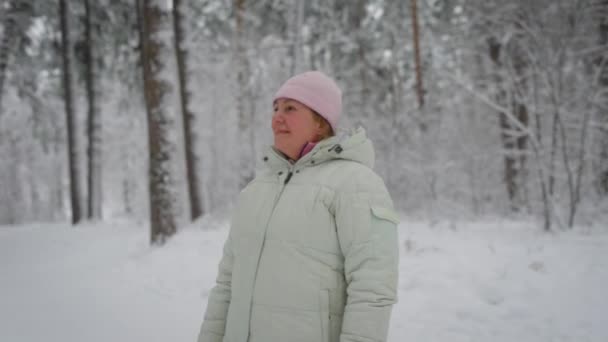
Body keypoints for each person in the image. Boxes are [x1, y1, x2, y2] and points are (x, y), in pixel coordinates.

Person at [198, 71, 399, 342]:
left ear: (320, 122)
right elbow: (226, 286)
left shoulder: (356, 184)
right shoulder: (256, 191)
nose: (277, 117)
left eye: (290, 108)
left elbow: (373, 289)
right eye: (275, 108)